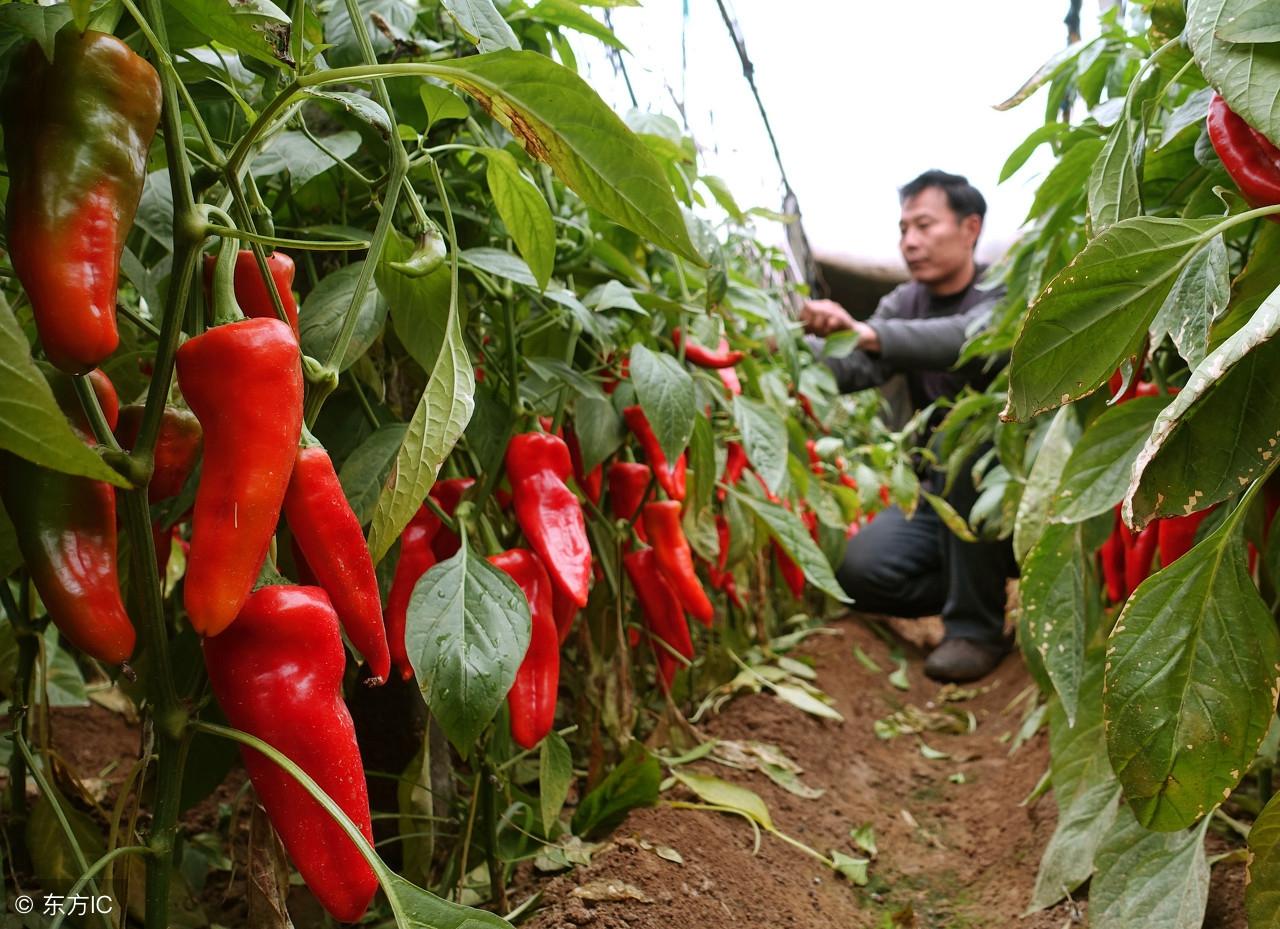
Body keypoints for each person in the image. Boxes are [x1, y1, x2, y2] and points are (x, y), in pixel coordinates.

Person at [802, 169, 1016, 683]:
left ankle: (974, 629)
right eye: (902, 229)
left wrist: (867, 332)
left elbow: (963, 339)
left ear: (970, 228)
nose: (910, 242)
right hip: (934, 492)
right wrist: (787, 352)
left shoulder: (1002, 292)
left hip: (1007, 491)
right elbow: (857, 367)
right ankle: (972, 588)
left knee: (969, 442)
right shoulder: (903, 302)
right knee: (858, 572)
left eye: (924, 225)